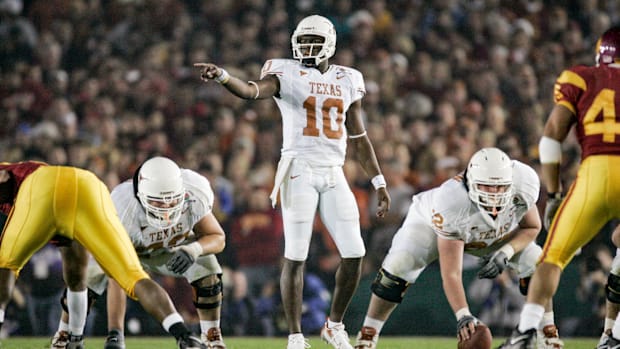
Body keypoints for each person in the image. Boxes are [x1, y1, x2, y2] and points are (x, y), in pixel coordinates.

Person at [195, 14, 391, 349]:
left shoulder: (349, 79)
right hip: (298, 168)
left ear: (329, 42)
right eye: (302, 41)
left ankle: (334, 325)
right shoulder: (286, 71)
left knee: (355, 253)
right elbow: (253, 91)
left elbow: (359, 137)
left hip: (333, 170)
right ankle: (296, 335)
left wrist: (379, 182)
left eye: (313, 42)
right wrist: (225, 76)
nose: (306, 48)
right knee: (295, 254)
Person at [353, 147, 563, 349]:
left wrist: (505, 253)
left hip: (494, 236)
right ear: (471, 182)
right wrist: (463, 315)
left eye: (500, 186)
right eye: (487, 186)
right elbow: (451, 273)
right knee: (400, 264)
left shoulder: (523, 182)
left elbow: (532, 227)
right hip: (431, 226)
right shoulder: (451, 200)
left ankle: (548, 334)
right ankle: (368, 336)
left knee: (535, 260)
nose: (494, 193)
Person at [499, 26, 620, 349]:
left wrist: (553, 194)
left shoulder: (581, 78)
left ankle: (525, 333)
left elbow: (551, 137)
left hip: (594, 173)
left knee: (552, 258)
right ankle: (615, 335)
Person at [0, 161, 207, 349]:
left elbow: (4, 177)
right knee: (124, 275)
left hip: (41, 187)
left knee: (6, 264)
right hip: (89, 186)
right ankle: (185, 336)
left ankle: (69, 338)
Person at [50, 156, 228, 349]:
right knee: (87, 279)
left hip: (172, 249)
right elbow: (117, 278)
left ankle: (211, 336)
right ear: (141, 196)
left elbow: (217, 236)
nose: (167, 211)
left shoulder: (195, 191)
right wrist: (115, 333)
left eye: (173, 201)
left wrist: (193, 250)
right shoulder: (122, 209)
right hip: (129, 253)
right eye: (159, 203)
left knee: (208, 266)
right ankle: (65, 332)